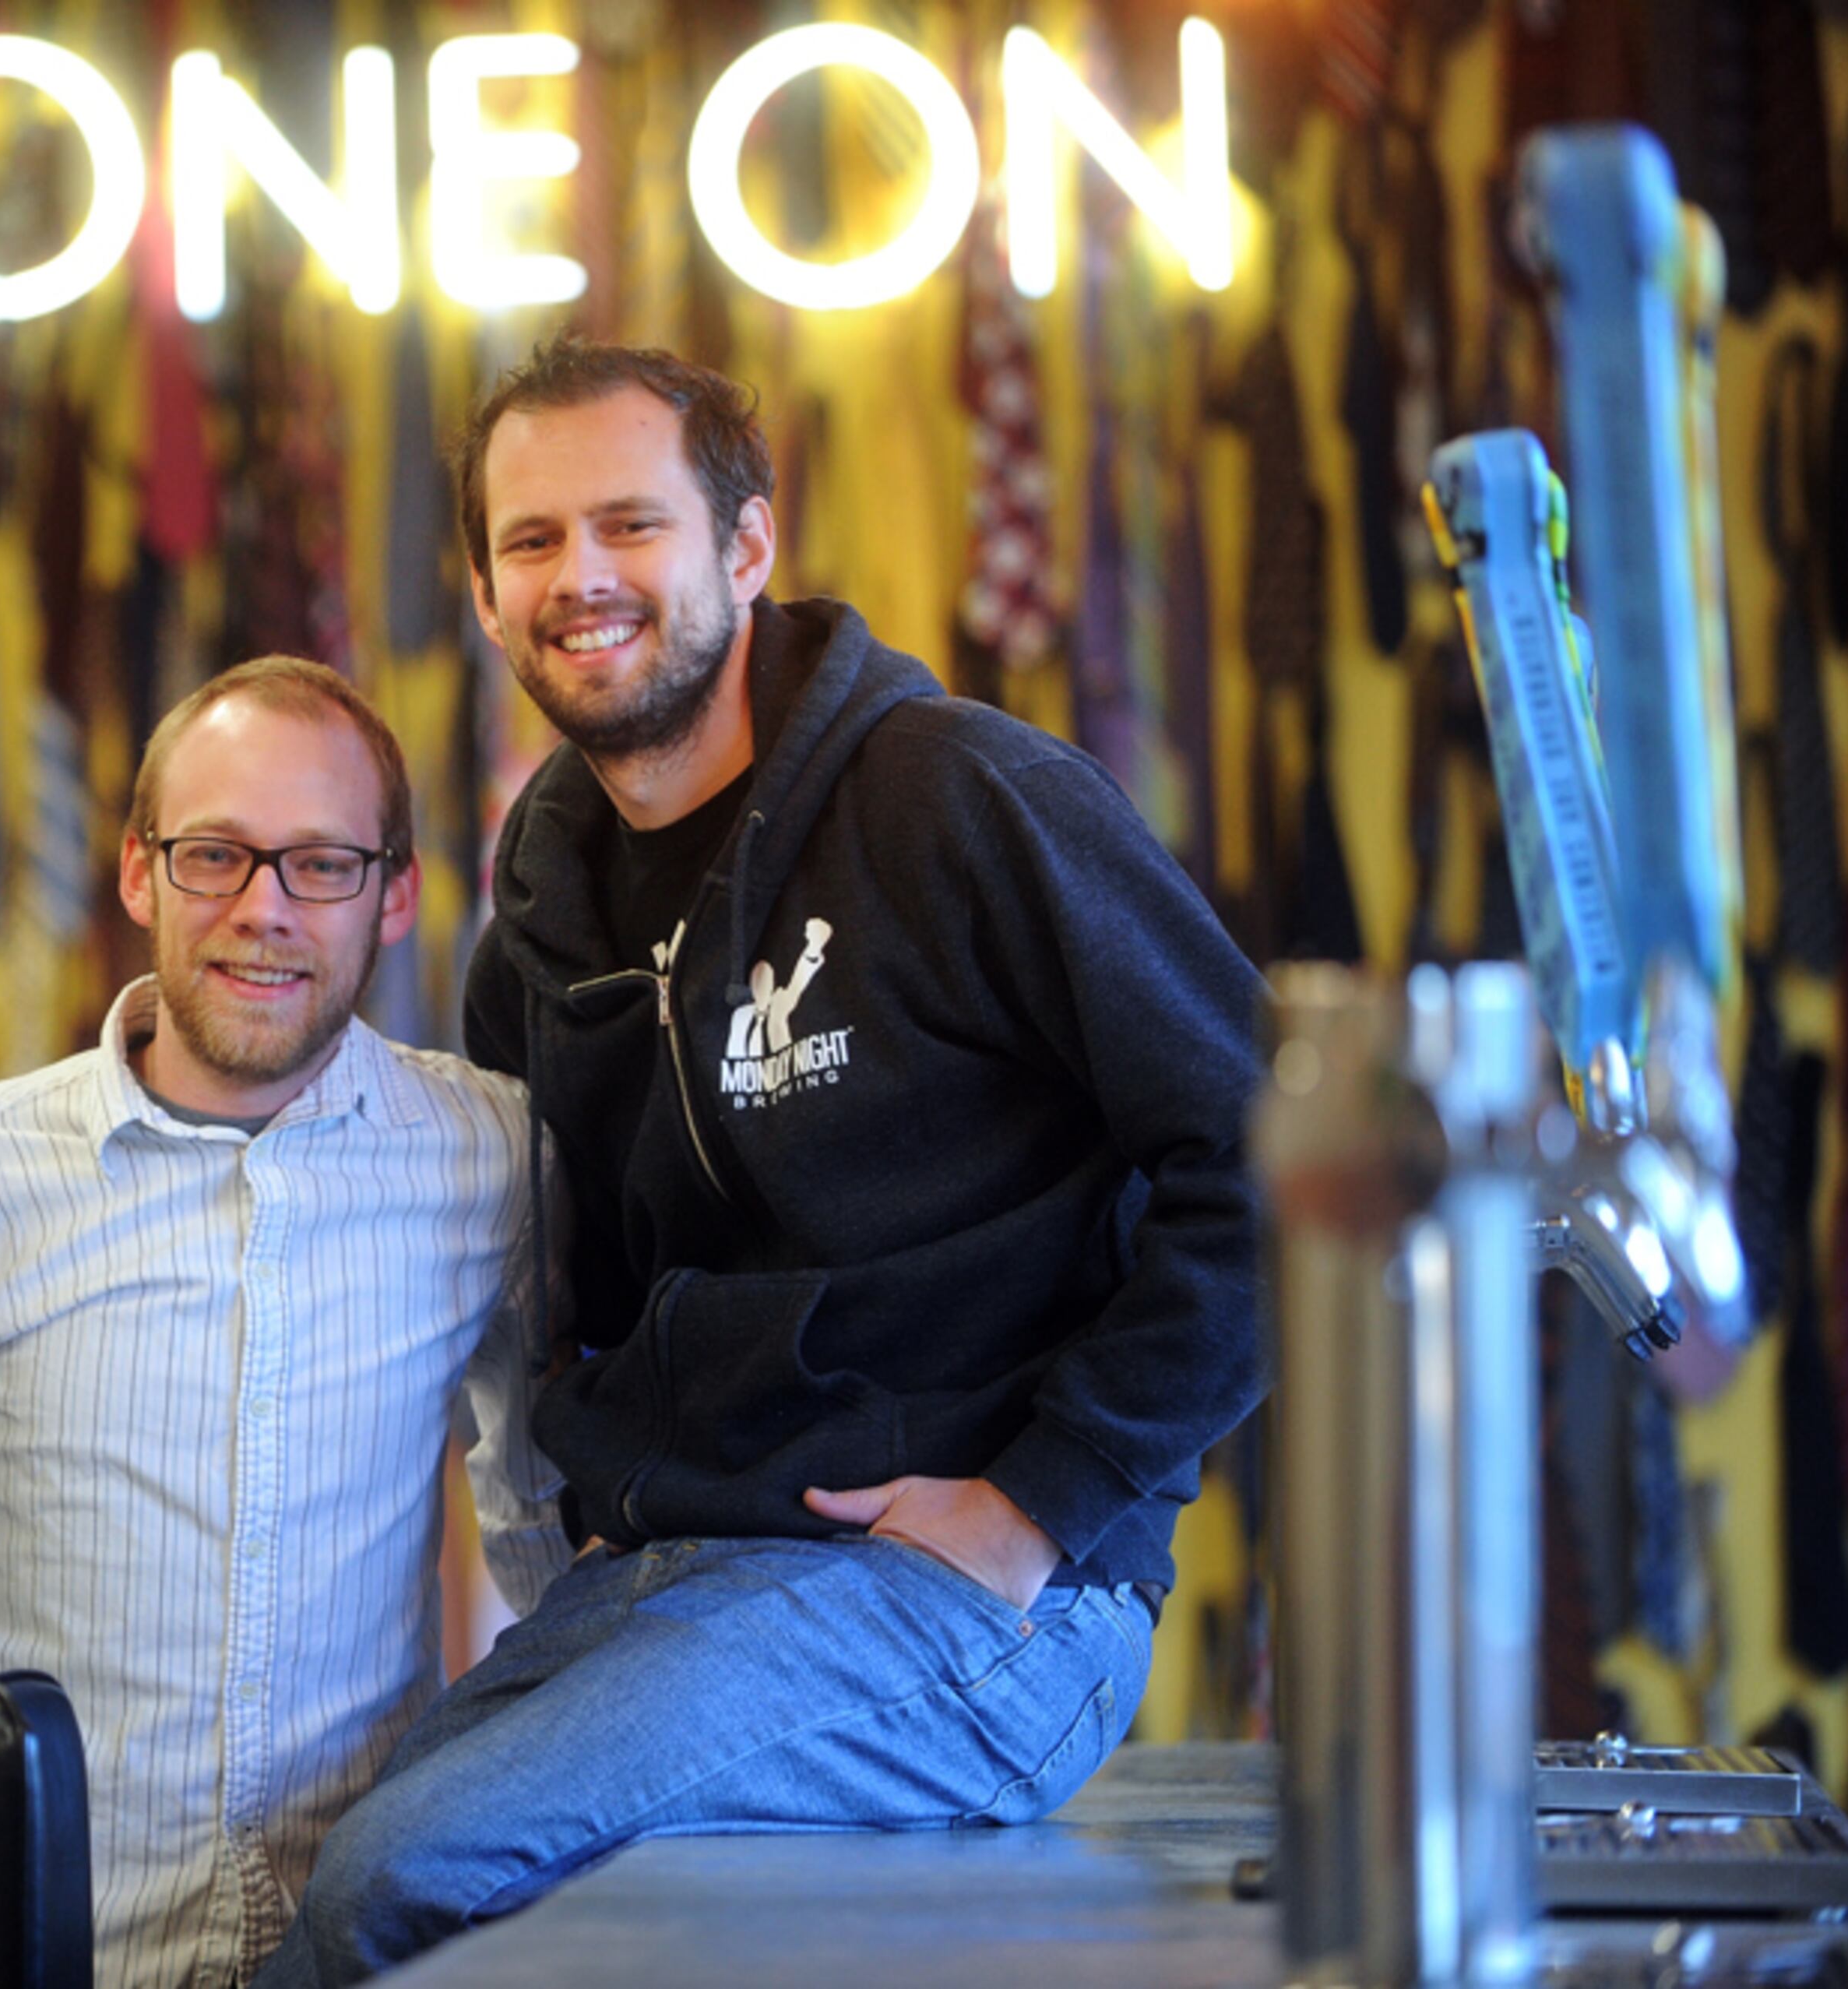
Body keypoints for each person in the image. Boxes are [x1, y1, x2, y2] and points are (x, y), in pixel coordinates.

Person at [254, 338, 1265, 1987]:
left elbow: (1277, 1153)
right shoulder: (538, 936)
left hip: (989, 1601)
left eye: (630, 525)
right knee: (317, 1906)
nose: (581, 576)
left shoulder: (956, 798)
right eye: (531, 541)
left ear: (744, 546)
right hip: (684, 1579)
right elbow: (577, 1294)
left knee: (408, 1877)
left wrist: (1042, 1505)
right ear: (489, 596)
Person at [0, 657, 563, 1989]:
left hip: (367, 1949)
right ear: (138, 874)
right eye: (217, 856)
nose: (264, 910)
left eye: (320, 863)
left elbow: (546, 1541)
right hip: (45, 1956)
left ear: (399, 895)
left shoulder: (490, 1157)